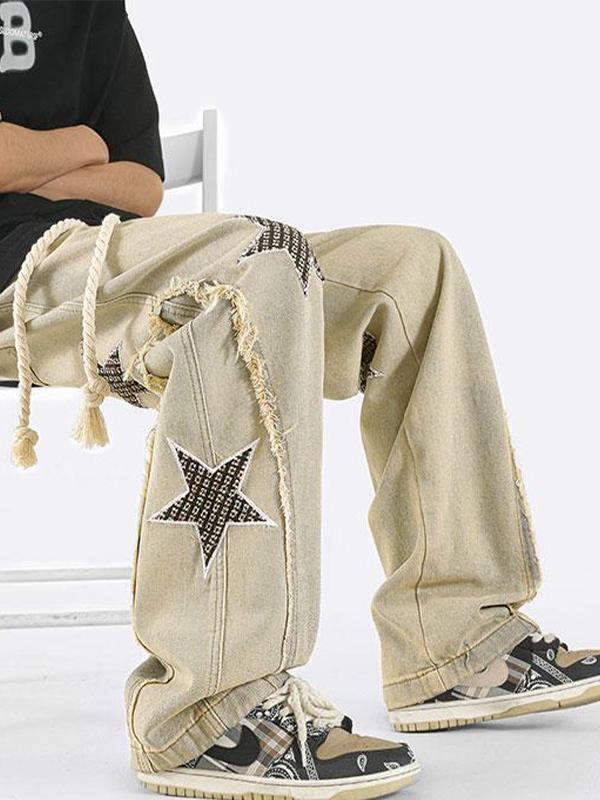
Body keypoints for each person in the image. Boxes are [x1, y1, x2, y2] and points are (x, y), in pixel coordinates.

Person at [0, 2, 598, 798]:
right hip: (20, 285)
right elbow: (96, 156)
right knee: (248, 266)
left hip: (115, 260)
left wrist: (32, 156)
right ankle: (206, 713)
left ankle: (458, 643)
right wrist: (78, 147)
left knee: (411, 266)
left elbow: (138, 181)